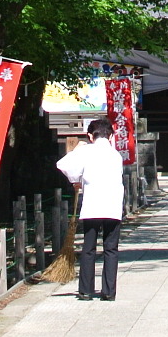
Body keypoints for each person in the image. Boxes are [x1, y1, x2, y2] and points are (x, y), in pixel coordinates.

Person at [56, 116, 126, 301]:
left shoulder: (86, 151)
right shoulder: (116, 155)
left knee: (89, 248)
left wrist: (75, 180)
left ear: (90, 136)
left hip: (93, 205)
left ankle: (86, 290)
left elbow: (63, 165)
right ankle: (109, 291)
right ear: (110, 137)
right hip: (112, 206)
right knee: (111, 249)